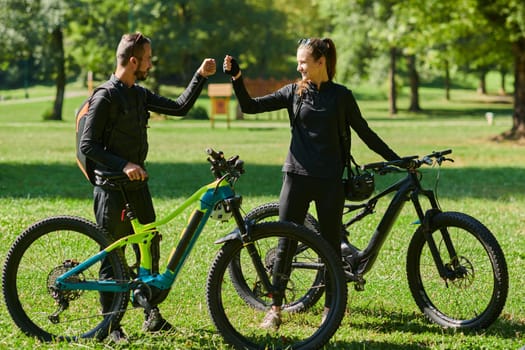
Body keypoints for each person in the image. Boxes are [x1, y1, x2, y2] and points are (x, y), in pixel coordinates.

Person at [223, 37, 400, 329]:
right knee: (285, 243)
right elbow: (250, 106)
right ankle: (275, 308)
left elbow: (366, 133)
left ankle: (331, 309)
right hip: (296, 178)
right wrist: (237, 77)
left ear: (321, 62)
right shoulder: (294, 92)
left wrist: (395, 160)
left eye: (303, 61)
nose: (298, 66)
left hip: (330, 182)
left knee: (330, 247)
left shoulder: (342, 97)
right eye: (298, 61)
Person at [79, 32, 216, 342]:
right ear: (132, 61)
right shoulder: (105, 96)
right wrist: (123, 165)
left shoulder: (138, 94)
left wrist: (199, 76)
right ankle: (110, 328)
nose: (151, 65)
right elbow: (89, 145)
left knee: (149, 247)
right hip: (111, 188)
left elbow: (180, 107)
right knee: (113, 257)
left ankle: (150, 314)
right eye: (148, 59)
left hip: (138, 186)